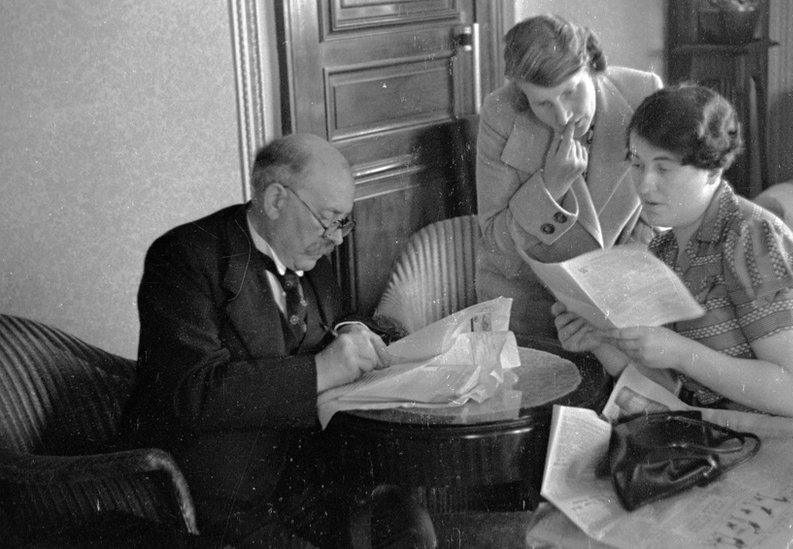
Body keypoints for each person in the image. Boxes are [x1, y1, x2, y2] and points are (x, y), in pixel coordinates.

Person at [552, 85, 793, 508]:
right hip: (741, 438)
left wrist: (678, 350)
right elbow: (671, 389)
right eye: (637, 165)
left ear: (712, 170)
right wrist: (599, 341)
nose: (645, 185)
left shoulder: (751, 237)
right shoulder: (662, 251)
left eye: (664, 168)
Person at [127, 133, 435, 547]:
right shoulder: (186, 257)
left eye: (344, 221)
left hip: (311, 481)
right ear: (275, 201)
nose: (338, 238)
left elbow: (325, 326)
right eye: (330, 218)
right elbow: (192, 390)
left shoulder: (311, 255)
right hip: (226, 500)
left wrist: (350, 331)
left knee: (409, 531)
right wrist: (321, 371)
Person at [476, 14, 664, 338]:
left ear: (591, 65)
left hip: (620, 301)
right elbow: (495, 241)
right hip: (527, 311)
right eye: (542, 103)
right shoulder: (500, 115)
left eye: (570, 92)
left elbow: (660, 212)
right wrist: (550, 187)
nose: (562, 116)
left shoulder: (643, 93)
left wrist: (615, 286)